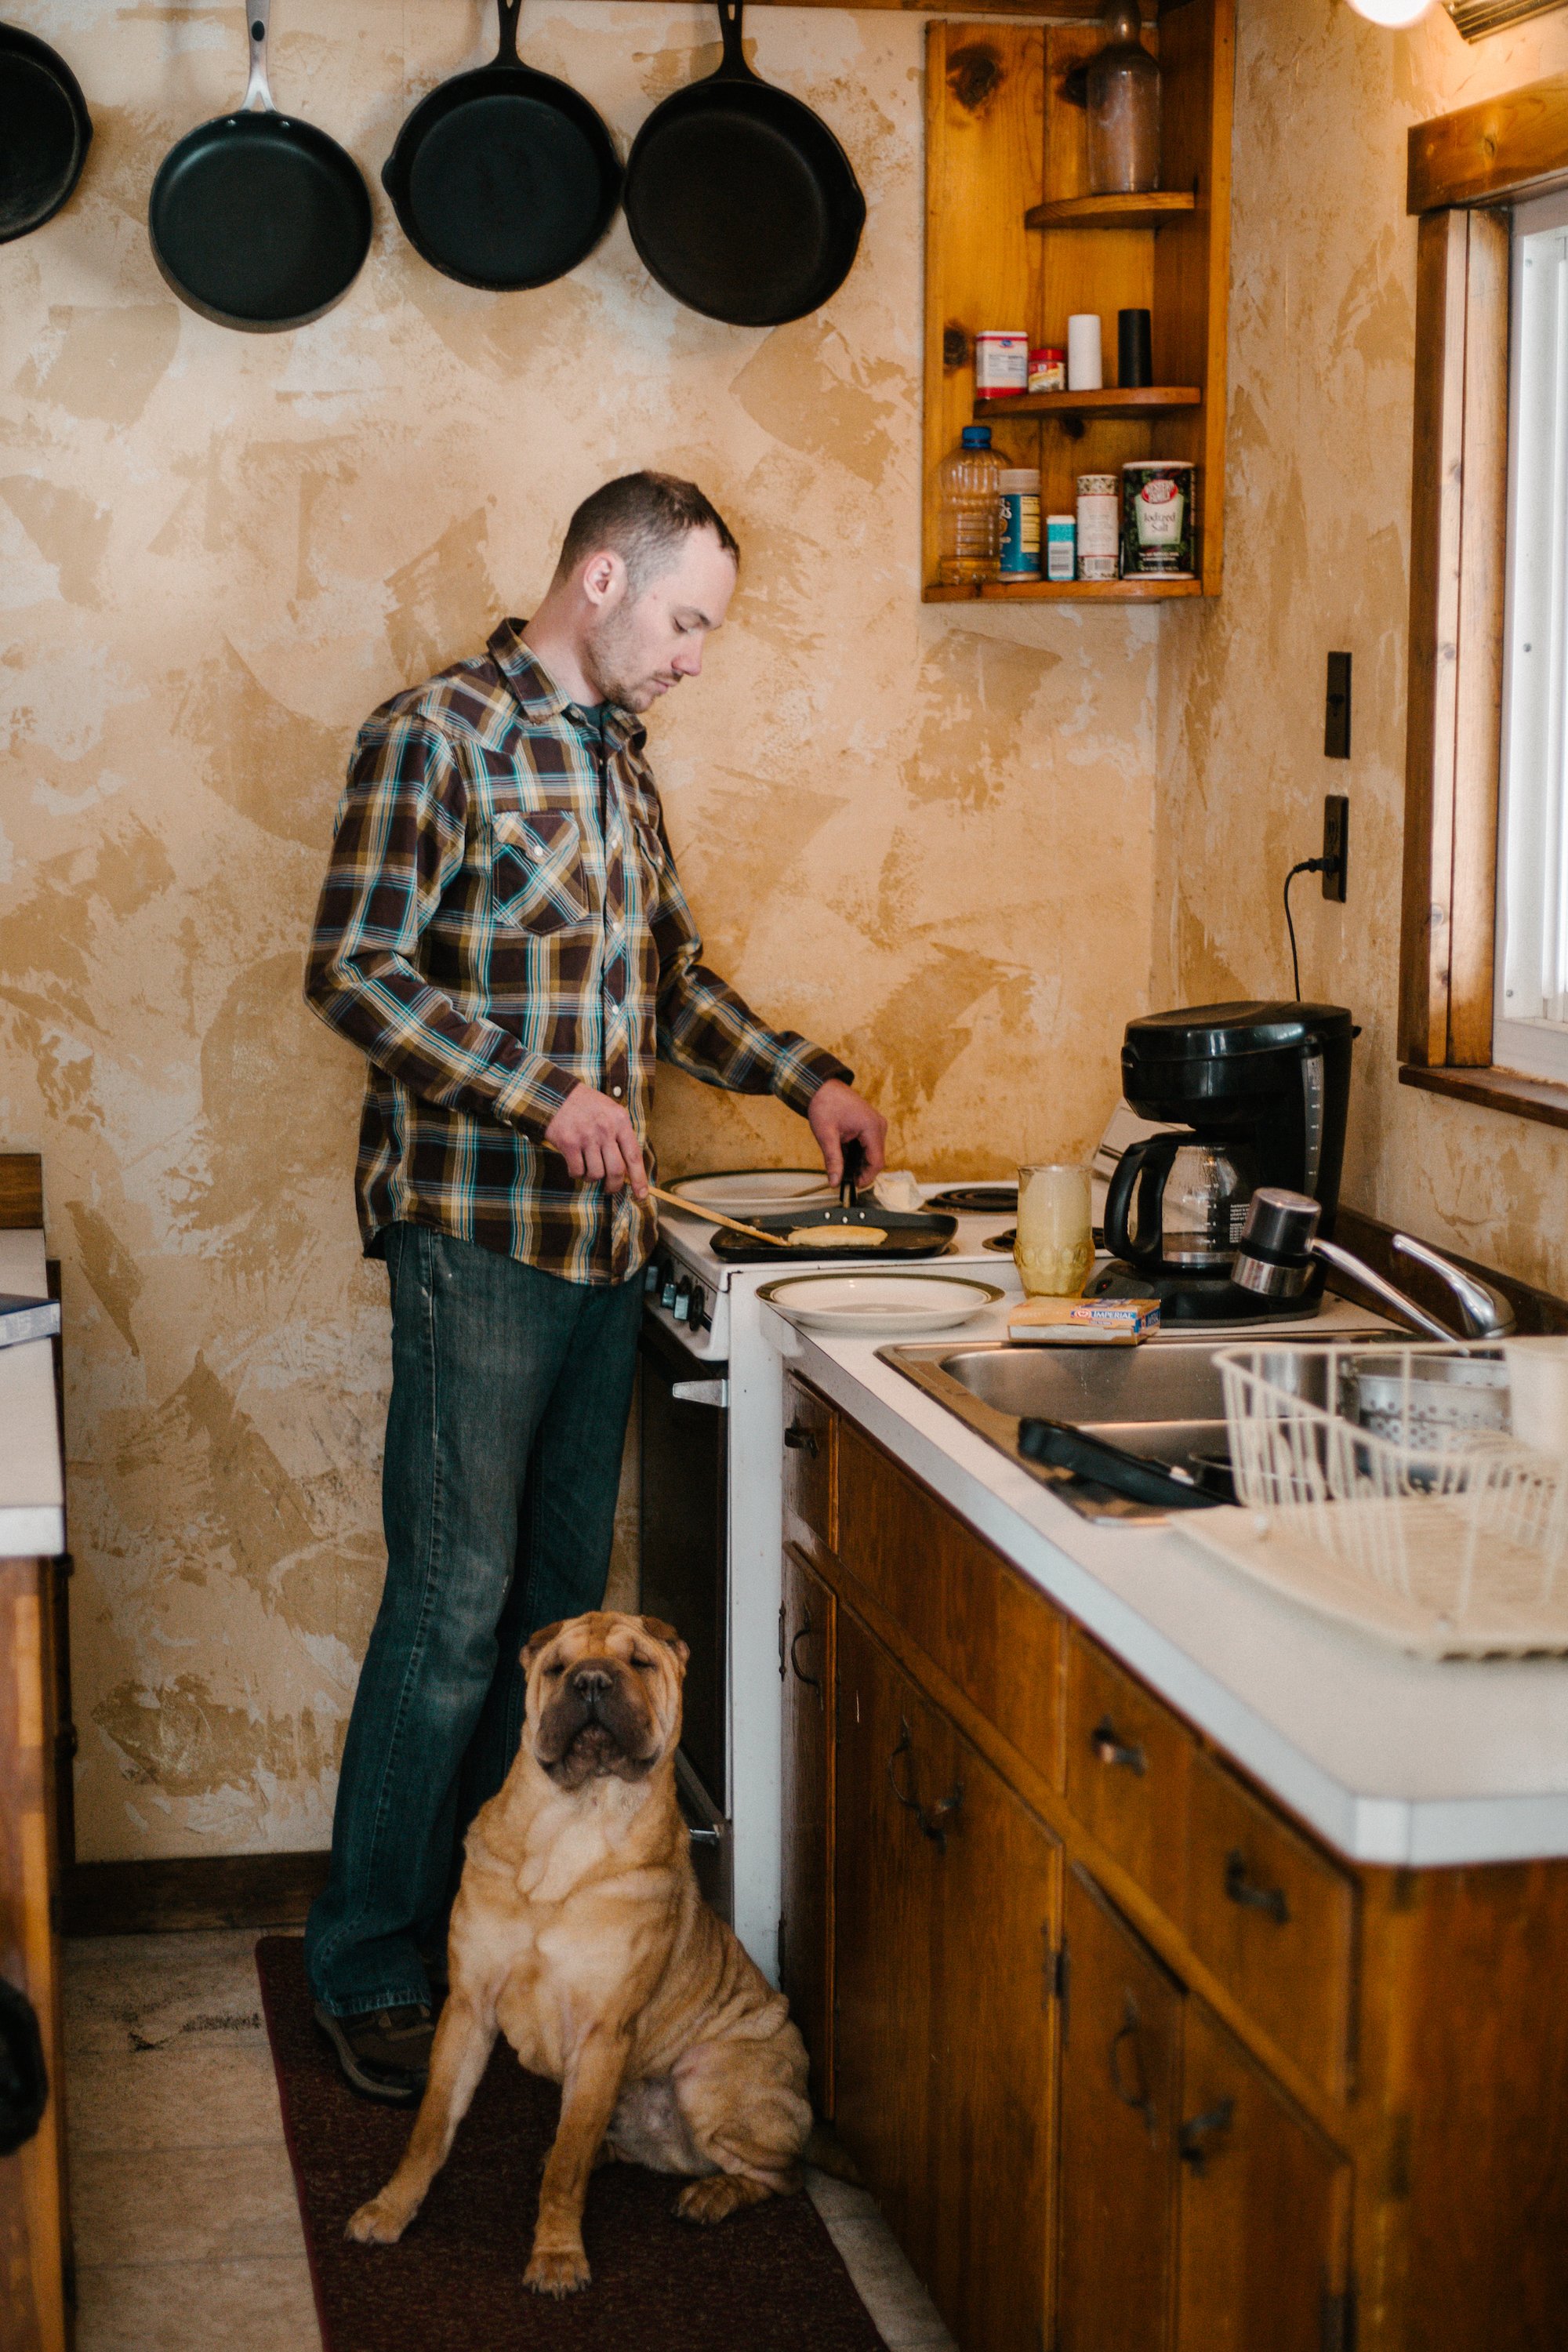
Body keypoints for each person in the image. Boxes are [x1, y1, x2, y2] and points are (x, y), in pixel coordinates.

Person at [301, 471, 887, 2103]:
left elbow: (671, 983)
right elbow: (351, 971)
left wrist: (807, 1079)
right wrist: (538, 1094)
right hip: (478, 1237)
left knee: (556, 1625)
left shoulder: (619, 760)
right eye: (687, 620)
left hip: (602, 1256)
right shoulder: (435, 737)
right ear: (604, 580)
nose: (696, 657)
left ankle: (508, 1943)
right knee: (450, 1612)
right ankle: (367, 1963)